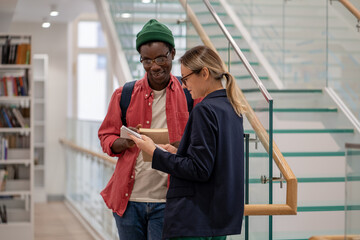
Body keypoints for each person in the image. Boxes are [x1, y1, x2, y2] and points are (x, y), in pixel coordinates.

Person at [130, 45, 245, 240]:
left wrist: (156, 153)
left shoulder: (204, 110)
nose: (183, 85)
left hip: (196, 219)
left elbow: (199, 169)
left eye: (186, 78)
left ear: (205, 73)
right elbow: (213, 163)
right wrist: (177, 153)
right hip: (218, 219)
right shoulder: (231, 108)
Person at [98, 19, 193, 240]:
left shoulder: (189, 93)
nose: (155, 66)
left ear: (173, 54)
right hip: (129, 201)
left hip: (169, 201)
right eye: (147, 60)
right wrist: (123, 141)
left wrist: (182, 146)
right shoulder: (124, 95)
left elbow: (201, 141)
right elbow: (106, 136)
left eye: (161, 58)